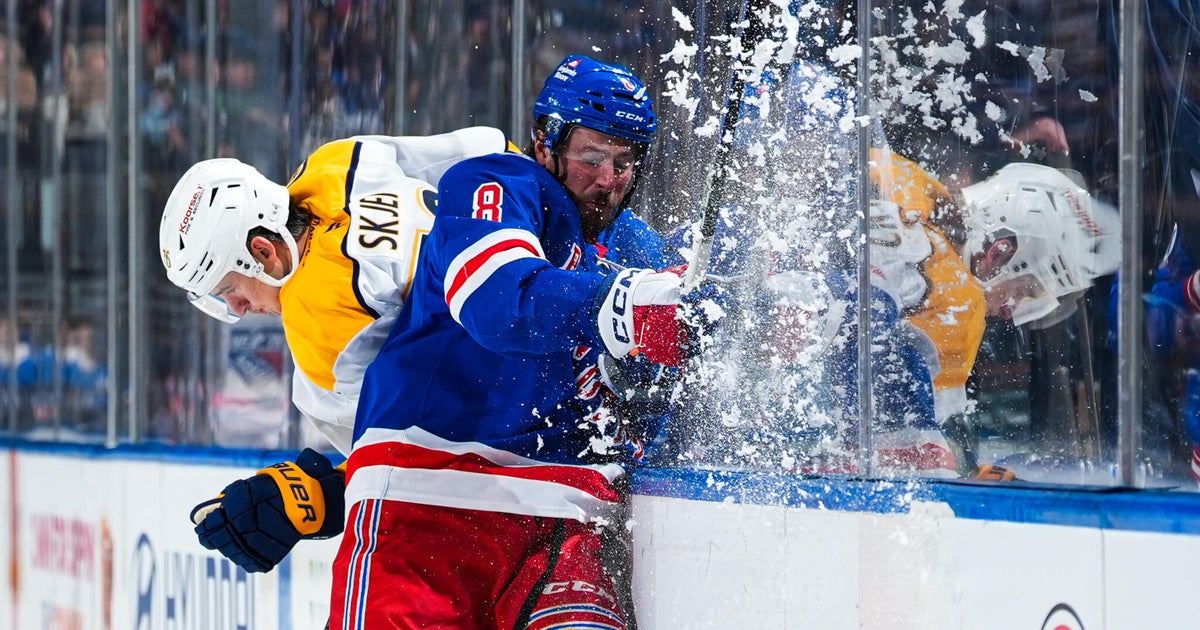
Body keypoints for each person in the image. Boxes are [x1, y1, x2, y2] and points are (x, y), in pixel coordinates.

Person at [330, 54, 689, 629]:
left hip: (565, 522)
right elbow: (498, 300)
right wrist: (623, 310)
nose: (608, 179)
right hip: (429, 505)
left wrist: (740, 308)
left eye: (624, 162)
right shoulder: (496, 183)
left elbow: (691, 337)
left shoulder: (632, 245)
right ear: (546, 142)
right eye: (591, 156)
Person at [158, 126, 511, 573]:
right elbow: (494, 151)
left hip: (534, 416)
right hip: (560, 278)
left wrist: (314, 495)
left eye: (229, 289)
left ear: (262, 251)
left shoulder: (319, 326)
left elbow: (410, 471)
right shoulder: (339, 164)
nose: (238, 308)